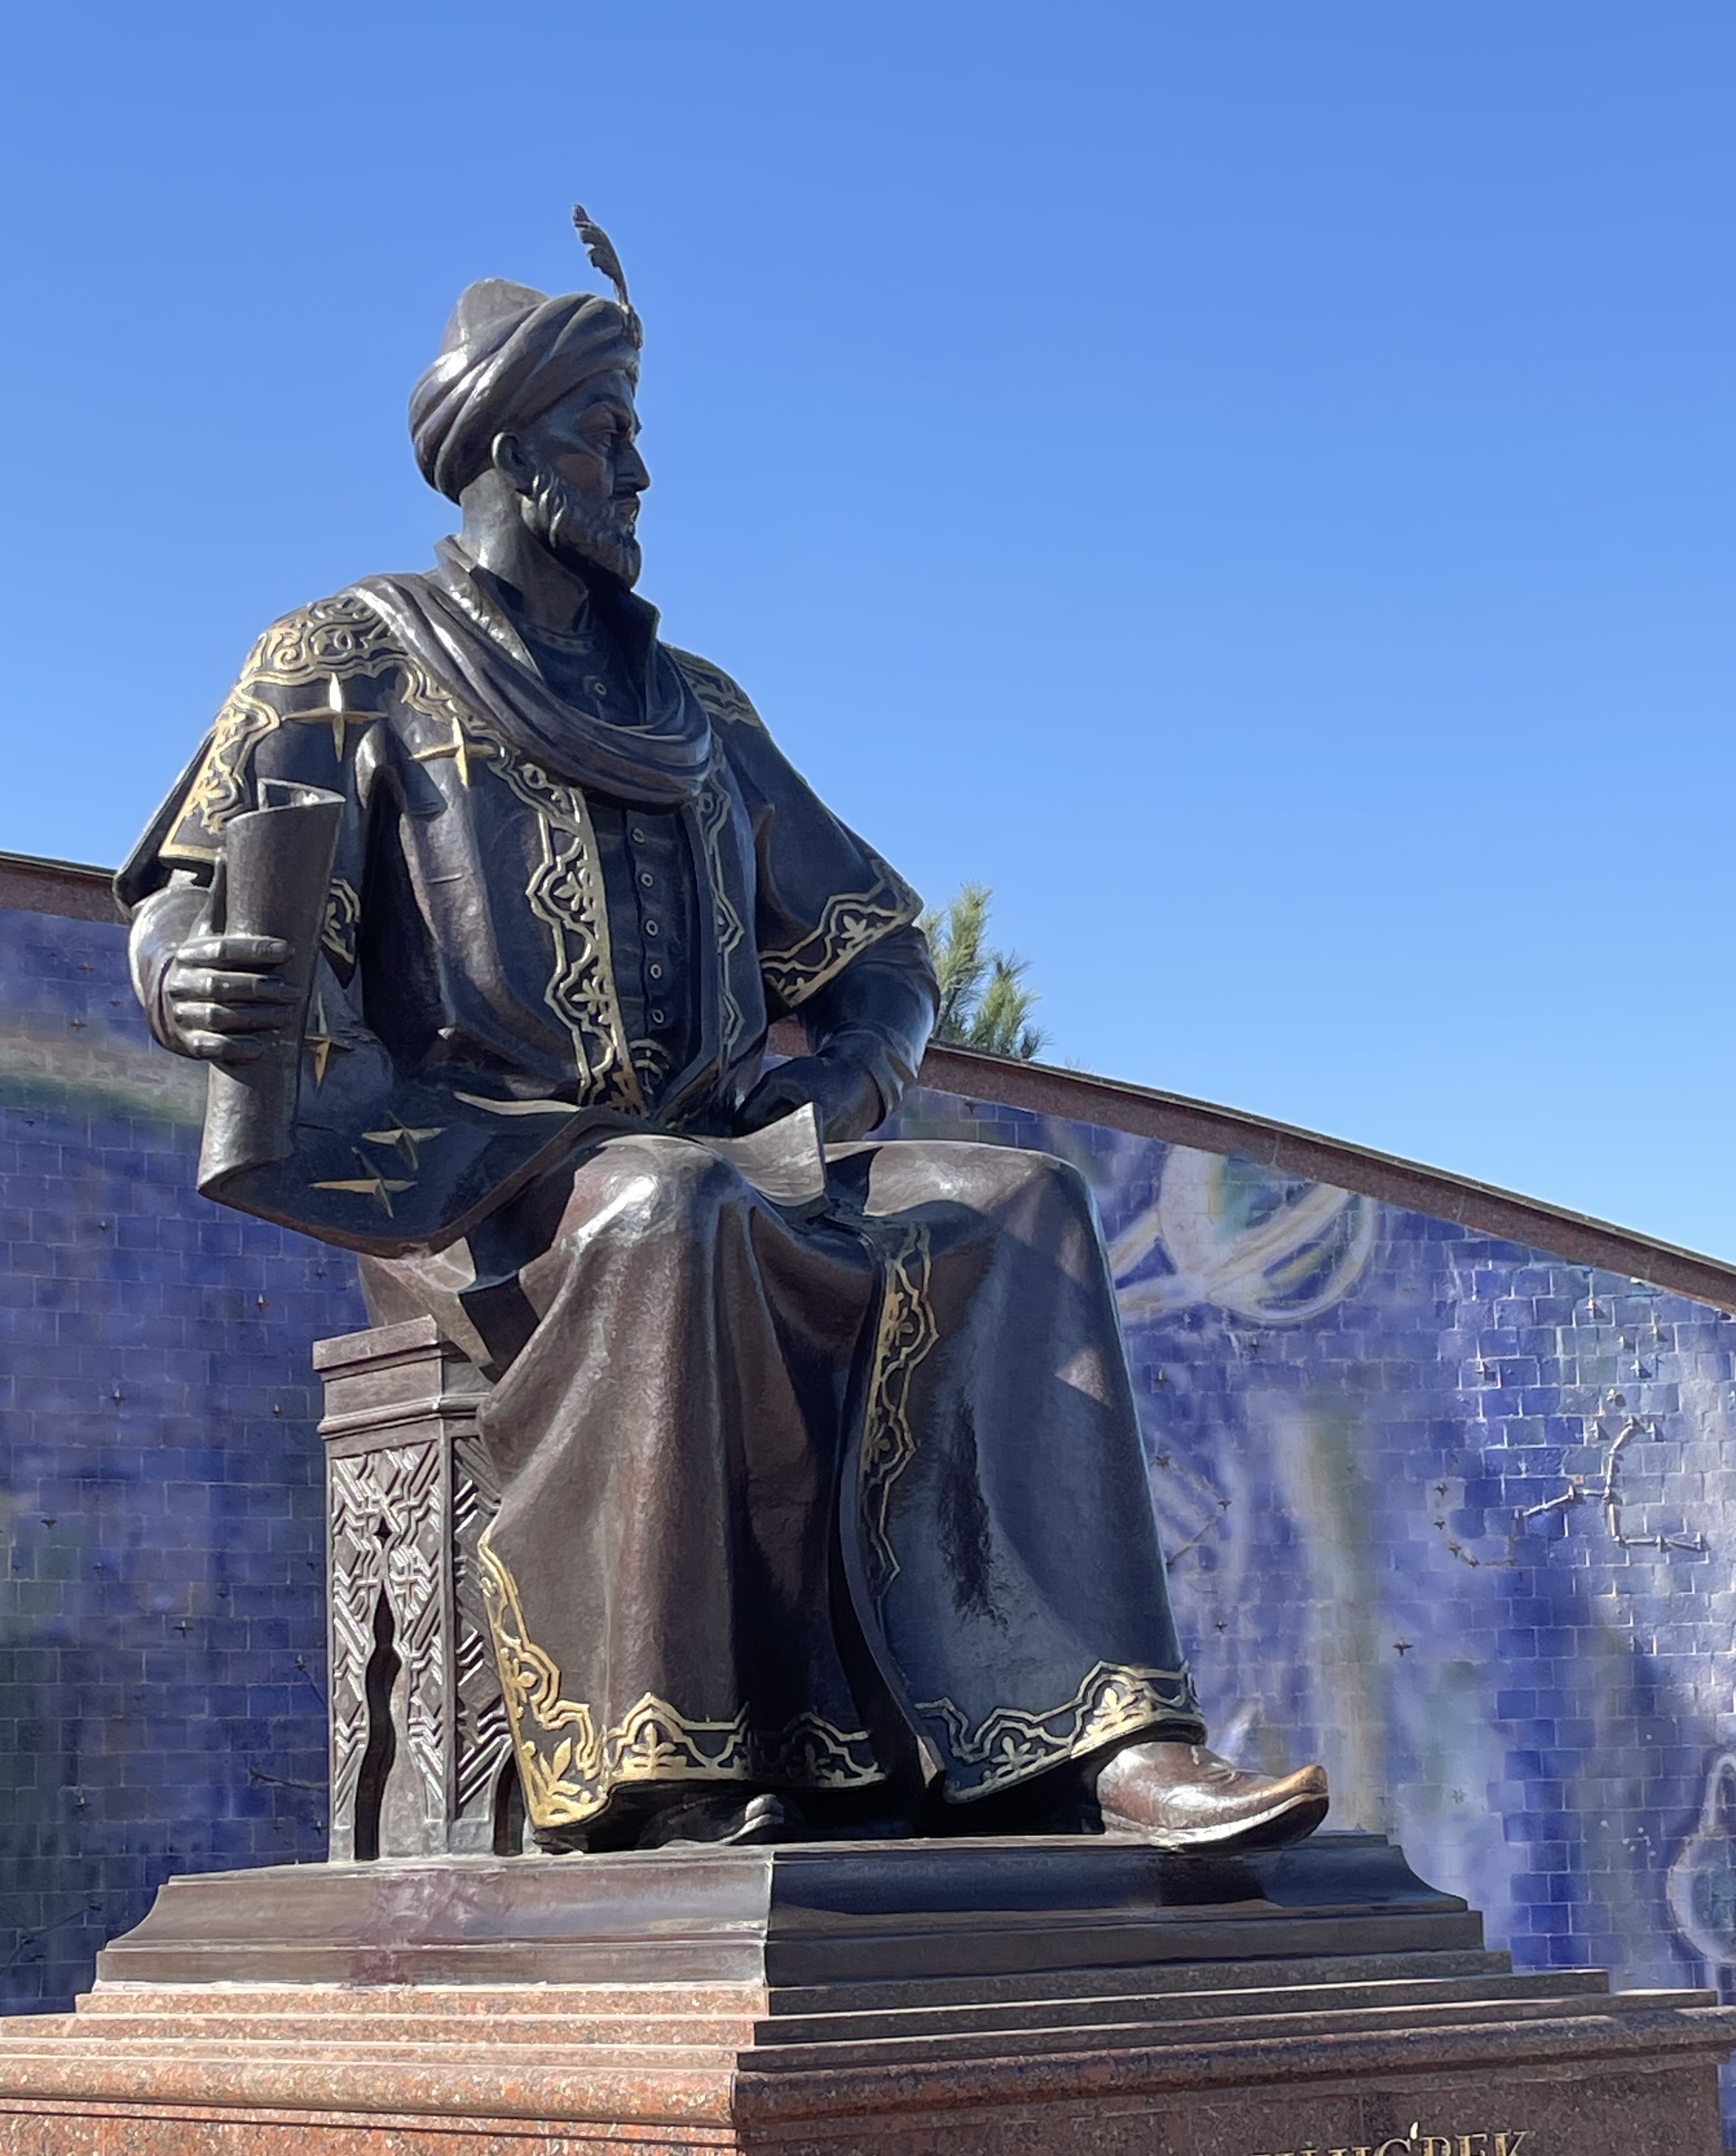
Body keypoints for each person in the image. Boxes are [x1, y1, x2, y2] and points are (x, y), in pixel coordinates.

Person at [119, 217, 1327, 1857]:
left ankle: (1095, 1737)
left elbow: (881, 943)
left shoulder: (697, 711)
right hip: (473, 1181)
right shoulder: (344, 659)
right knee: (665, 1208)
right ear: (507, 451)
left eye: (634, 435)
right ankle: (662, 1764)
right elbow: (191, 898)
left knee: (1021, 1206)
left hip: (723, 1158)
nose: (638, 472)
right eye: (603, 435)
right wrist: (188, 976)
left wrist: (857, 1066)